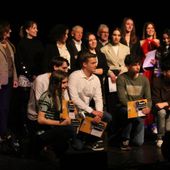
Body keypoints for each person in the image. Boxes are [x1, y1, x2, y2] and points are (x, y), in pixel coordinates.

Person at [68, 51, 112, 151]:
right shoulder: (74, 76)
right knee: (78, 147)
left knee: (107, 117)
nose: (95, 65)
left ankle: (91, 141)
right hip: (75, 113)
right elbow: (74, 99)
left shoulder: (95, 79)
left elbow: (98, 98)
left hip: (87, 112)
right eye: (92, 63)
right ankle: (78, 139)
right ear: (84, 64)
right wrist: (92, 111)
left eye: (96, 62)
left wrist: (99, 113)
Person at [116, 54, 152, 150]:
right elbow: (122, 99)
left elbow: (148, 98)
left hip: (139, 110)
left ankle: (127, 135)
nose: (138, 67)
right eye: (135, 65)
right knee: (129, 113)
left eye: (139, 64)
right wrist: (135, 109)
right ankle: (125, 138)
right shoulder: (121, 78)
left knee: (138, 142)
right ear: (128, 66)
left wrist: (148, 107)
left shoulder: (144, 80)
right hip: (124, 108)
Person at [37, 70, 74, 159]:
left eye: (67, 82)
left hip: (56, 126)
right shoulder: (47, 96)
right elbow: (40, 120)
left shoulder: (60, 94)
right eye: (64, 83)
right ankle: (47, 148)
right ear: (56, 83)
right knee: (68, 129)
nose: (66, 85)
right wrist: (61, 123)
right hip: (46, 129)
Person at [0, 20, 18, 141]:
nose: (10, 31)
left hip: (9, 80)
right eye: (8, 29)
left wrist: (15, 78)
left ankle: (3, 131)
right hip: (1, 81)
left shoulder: (9, 44)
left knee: (5, 108)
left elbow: (12, 63)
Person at [152, 57, 170, 148]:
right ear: (164, 72)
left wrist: (166, 104)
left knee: (168, 129)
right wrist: (166, 105)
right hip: (160, 109)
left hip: (167, 106)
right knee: (161, 112)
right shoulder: (157, 81)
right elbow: (156, 101)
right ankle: (160, 137)